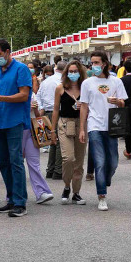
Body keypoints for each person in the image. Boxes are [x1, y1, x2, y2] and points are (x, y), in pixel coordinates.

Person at [0, 39, 33, 217]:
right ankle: (11, 198)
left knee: (15, 162)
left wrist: (0, 98)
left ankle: (20, 202)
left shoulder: (21, 69)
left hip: (14, 121)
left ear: (7, 52)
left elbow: (23, 95)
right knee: (4, 163)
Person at [79, 50, 126, 212]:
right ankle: (102, 196)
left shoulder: (116, 81)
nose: (94, 66)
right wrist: (82, 129)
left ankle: (104, 180)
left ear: (104, 63)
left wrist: (117, 101)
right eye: (92, 63)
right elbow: (84, 106)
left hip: (112, 125)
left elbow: (123, 104)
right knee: (99, 162)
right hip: (95, 126)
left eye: (97, 63)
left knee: (112, 162)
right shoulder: (87, 83)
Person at [52, 61, 87, 205]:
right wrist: (52, 130)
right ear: (66, 73)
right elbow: (55, 109)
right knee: (68, 158)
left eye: (75, 71)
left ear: (80, 72)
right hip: (65, 124)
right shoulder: (60, 88)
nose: (73, 74)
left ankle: (76, 192)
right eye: (70, 71)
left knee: (79, 161)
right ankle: (67, 185)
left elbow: (91, 106)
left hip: (81, 124)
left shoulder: (85, 88)